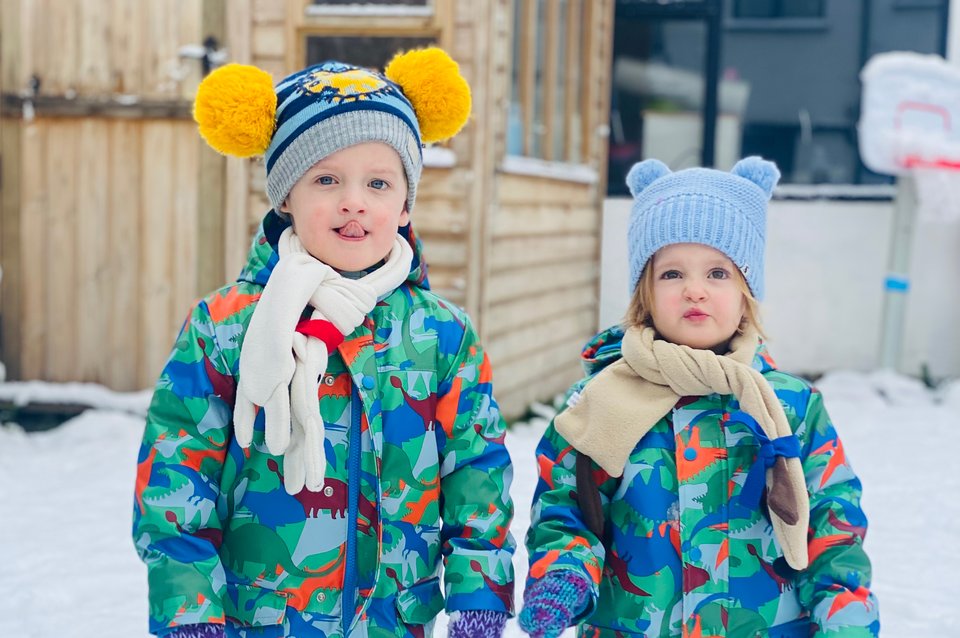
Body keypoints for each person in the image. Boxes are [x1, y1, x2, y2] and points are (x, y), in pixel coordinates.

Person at [132, 47, 515, 638]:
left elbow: (475, 469)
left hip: (393, 619)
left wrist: (480, 593)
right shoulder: (226, 324)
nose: (354, 200)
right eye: (327, 179)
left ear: (405, 202)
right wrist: (189, 613)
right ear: (285, 197)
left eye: (379, 182)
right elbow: (177, 468)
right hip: (260, 619)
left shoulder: (442, 334)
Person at [518, 158, 880, 637]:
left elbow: (833, 524)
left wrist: (847, 620)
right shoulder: (602, 400)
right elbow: (566, 508)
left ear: (746, 290)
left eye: (717, 273)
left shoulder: (790, 406)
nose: (694, 290)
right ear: (643, 293)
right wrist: (563, 575)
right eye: (671, 274)